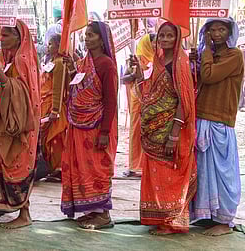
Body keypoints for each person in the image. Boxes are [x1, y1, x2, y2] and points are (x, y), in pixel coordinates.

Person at [131, 22, 196, 235]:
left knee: (169, 175)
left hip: (169, 130)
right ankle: (159, 218)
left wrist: (174, 135)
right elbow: (148, 93)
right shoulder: (158, 61)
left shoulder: (180, 62)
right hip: (153, 131)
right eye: (162, 36)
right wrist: (139, 74)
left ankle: (171, 222)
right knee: (156, 175)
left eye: (170, 36)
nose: (165, 40)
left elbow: (184, 100)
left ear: (177, 39)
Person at [189, 18, 244, 236]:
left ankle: (224, 220)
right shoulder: (209, 54)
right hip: (201, 116)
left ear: (230, 33)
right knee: (204, 171)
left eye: (221, 29)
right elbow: (199, 79)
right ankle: (208, 216)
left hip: (220, 121)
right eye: (212, 30)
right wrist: (195, 63)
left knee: (222, 173)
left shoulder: (235, 55)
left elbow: (210, 76)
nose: (217, 33)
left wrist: (205, 55)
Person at [61, 21, 118, 230]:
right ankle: (91, 211)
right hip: (78, 126)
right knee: (81, 168)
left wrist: (104, 131)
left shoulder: (107, 65)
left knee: (97, 168)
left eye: (92, 35)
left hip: (97, 126)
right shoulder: (83, 63)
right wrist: (70, 72)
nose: (87, 38)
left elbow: (111, 100)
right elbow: (78, 90)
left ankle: (103, 215)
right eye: (86, 34)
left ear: (102, 40)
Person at [0, 19, 41, 229]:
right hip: (8, 123)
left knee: (19, 164)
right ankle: (8, 208)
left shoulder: (23, 60)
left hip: (21, 126)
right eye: (1, 34)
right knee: (6, 163)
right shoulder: (11, 58)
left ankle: (25, 213)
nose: (2, 39)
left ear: (19, 37)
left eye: (7, 35)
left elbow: (22, 93)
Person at [123, 34, 156, 178]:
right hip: (138, 101)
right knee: (136, 131)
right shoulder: (135, 60)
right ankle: (134, 165)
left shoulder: (160, 59)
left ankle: (148, 165)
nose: (155, 46)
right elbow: (124, 79)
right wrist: (135, 74)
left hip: (152, 102)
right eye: (153, 43)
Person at [39, 33, 69, 182]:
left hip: (54, 107)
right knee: (46, 140)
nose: (48, 46)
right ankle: (52, 167)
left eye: (51, 44)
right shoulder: (50, 61)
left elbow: (58, 87)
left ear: (58, 46)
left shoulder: (59, 63)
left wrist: (55, 110)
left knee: (56, 138)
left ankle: (59, 168)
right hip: (45, 104)